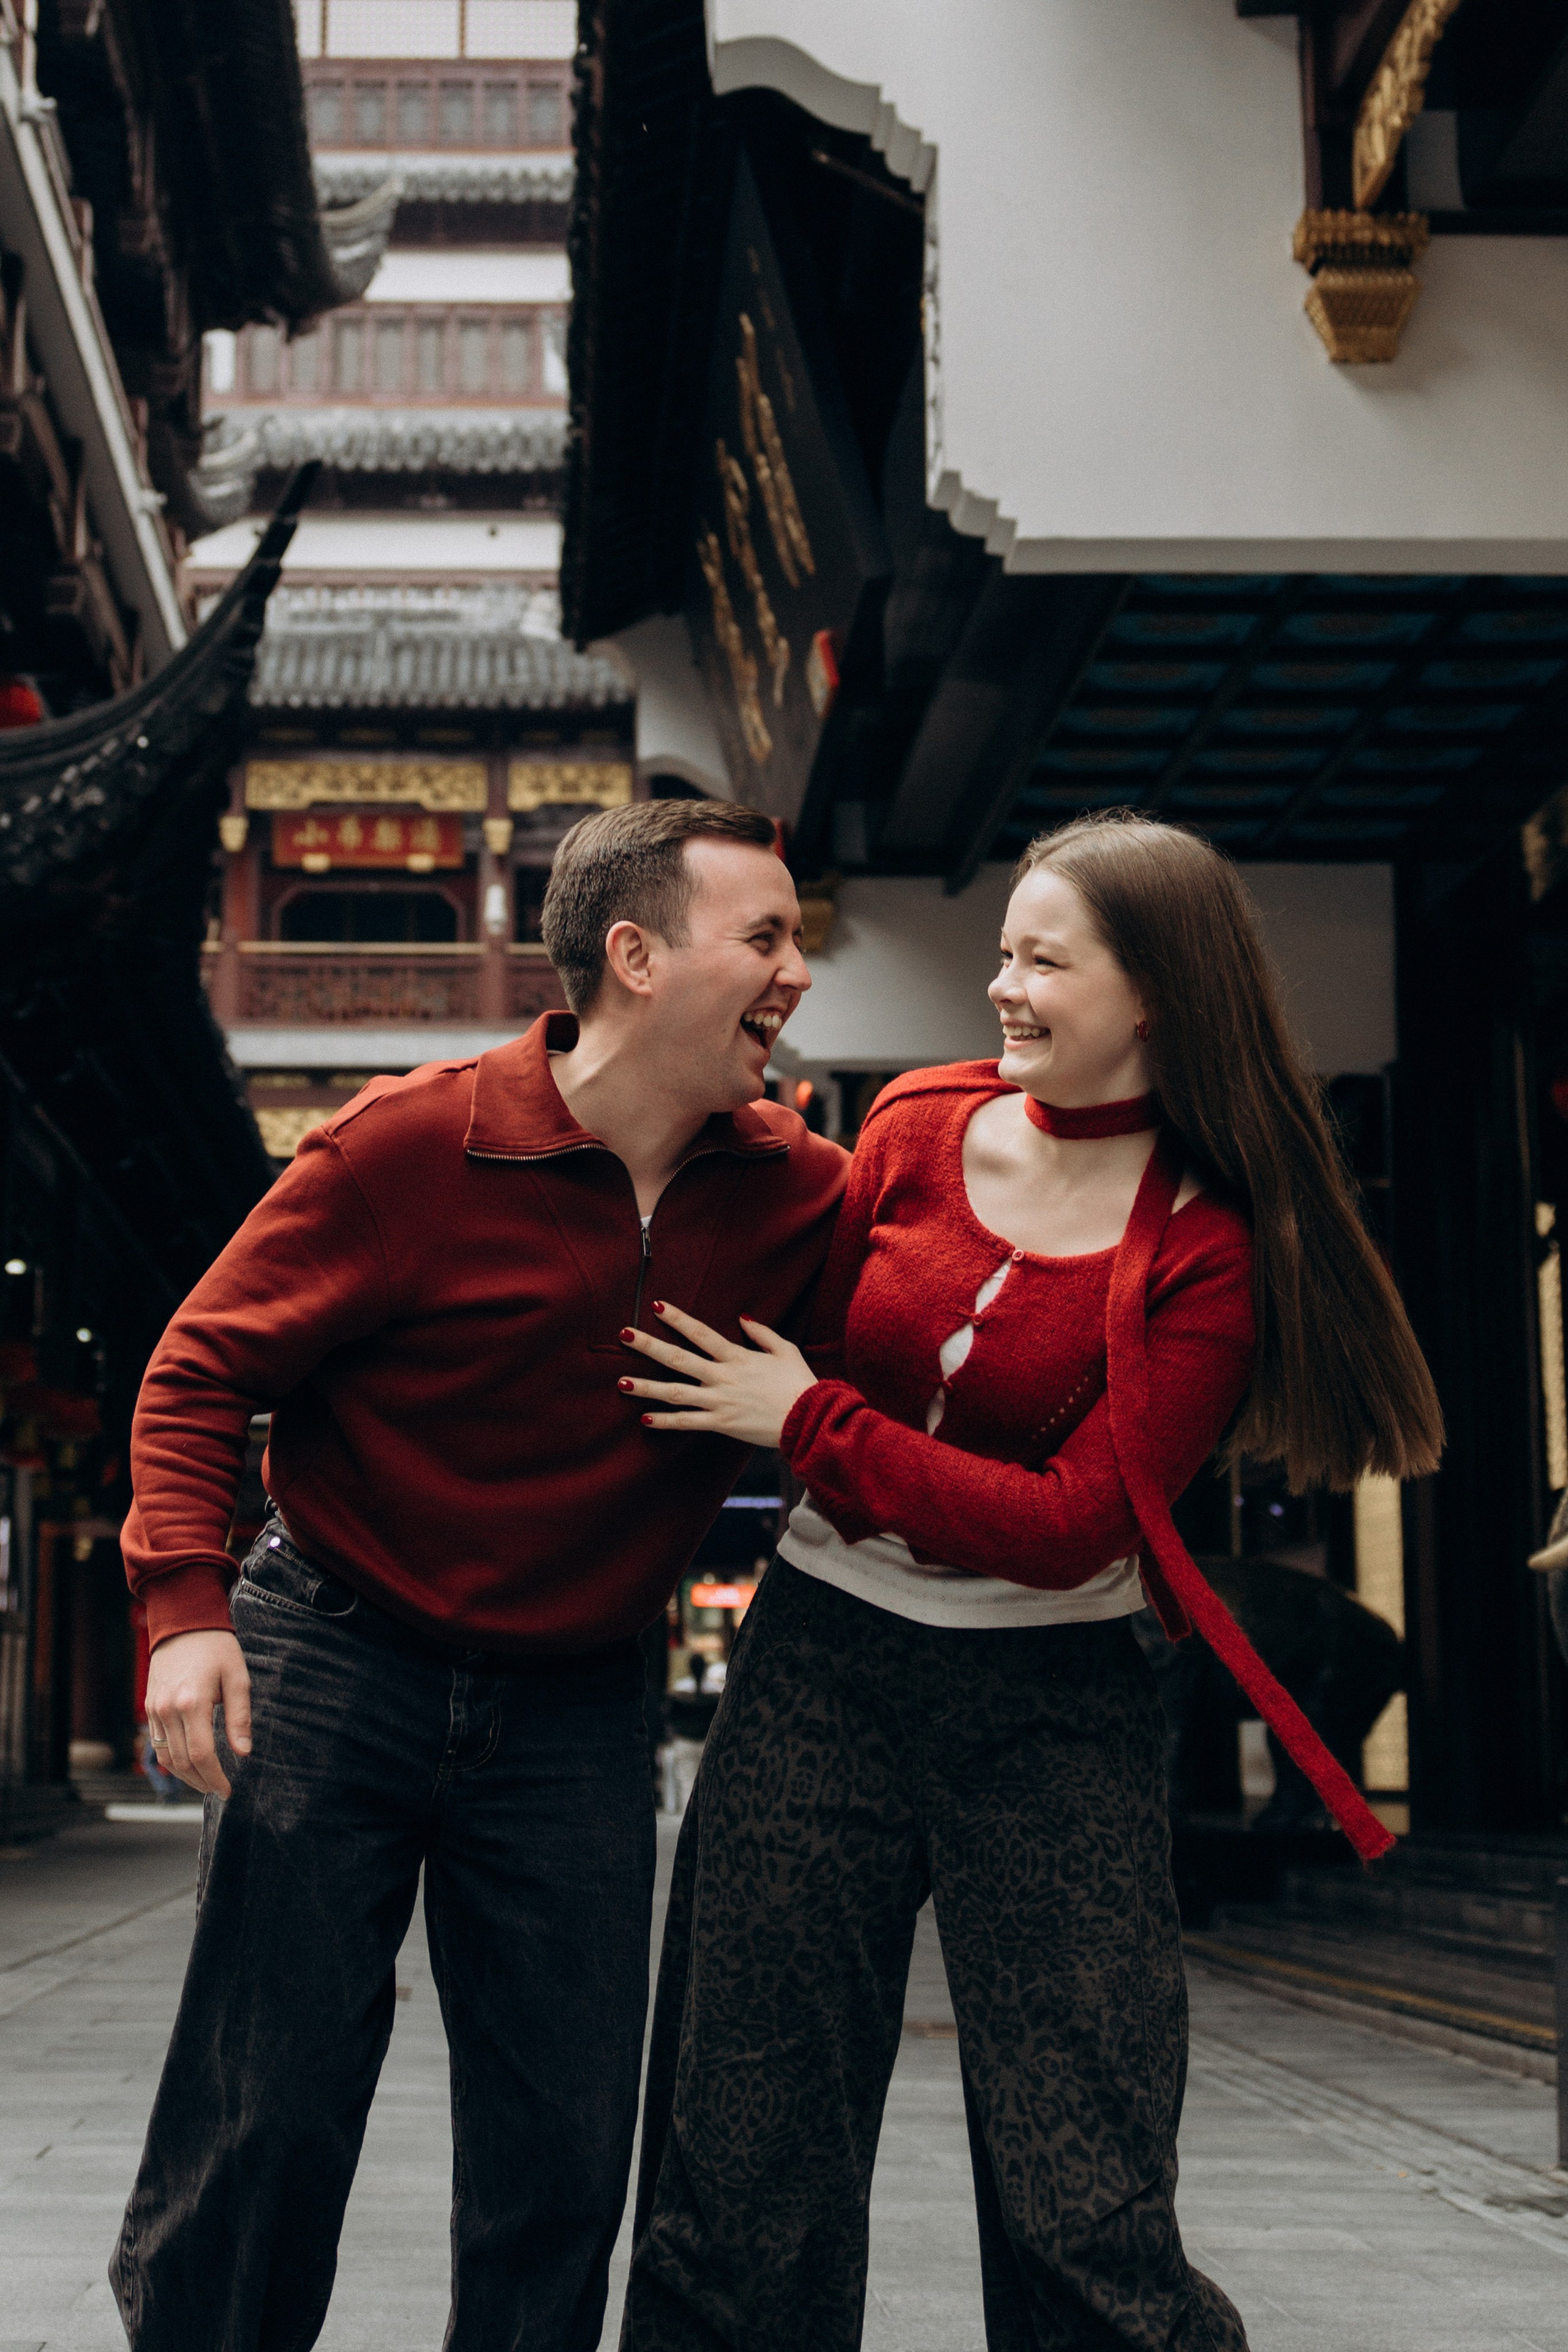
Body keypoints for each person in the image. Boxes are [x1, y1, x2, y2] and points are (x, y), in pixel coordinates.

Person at [613, 810, 1442, 2352]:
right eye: (1002, 951)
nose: (999, 986)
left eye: (1042, 962)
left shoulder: (1211, 1246)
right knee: (742, 2159)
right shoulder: (913, 1123)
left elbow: (1073, 1525)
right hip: (817, 1670)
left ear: (1156, 997)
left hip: (1055, 1709)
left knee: (1087, 2191)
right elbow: (801, 1326)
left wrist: (806, 1421)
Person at [109, 799, 846, 2352]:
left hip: (575, 1701)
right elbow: (197, 1369)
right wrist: (183, 1612)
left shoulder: (796, 1193)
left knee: (561, 2145)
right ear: (635, 958)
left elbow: (944, 1257)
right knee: (268, 2107)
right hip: (335, 1656)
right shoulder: (406, 1144)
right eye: (766, 937)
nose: (798, 971)